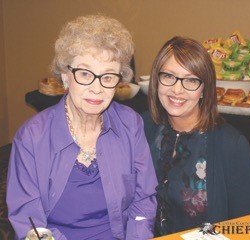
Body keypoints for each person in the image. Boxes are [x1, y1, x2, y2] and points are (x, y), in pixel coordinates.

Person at [7, 15, 157, 240]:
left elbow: (144, 200)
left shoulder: (130, 124)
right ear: (66, 76)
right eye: (85, 74)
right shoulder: (32, 137)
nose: (97, 88)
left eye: (108, 76)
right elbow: (27, 218)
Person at [142, 36, 250, 236]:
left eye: (191, 80)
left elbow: (247, 227)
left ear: (204, 88)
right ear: (156, 80)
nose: (177, 89)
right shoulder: (142, 128)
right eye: (169, 76)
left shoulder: (231, 145)